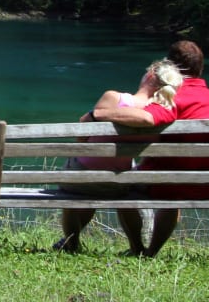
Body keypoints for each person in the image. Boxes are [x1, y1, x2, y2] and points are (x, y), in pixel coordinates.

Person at [91, 40, 209, 257]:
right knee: (170, 182)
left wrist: (98, 114)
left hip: (170, 183)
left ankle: (138, 248)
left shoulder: (173, 97)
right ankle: (153, 250)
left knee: (122, 184)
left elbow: (148, 117)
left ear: (169, 67)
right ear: (201, 68)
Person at [53, 59, 184, 254]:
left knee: (77, 181)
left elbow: (82, 133)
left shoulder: (113, 98)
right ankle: (137, 247)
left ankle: (72, 244)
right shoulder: (162, 113)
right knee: (120, 184)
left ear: (149, 76)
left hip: (81, 180)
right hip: (120, 182)